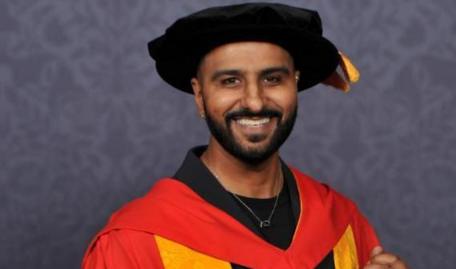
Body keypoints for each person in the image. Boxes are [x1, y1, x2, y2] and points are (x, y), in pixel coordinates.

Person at [82, 3, 409, 269]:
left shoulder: (341, 222)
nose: (254, 101)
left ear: (294, 84)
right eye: (230, 81)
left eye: (272, 79)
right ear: (199, 96)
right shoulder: (134, 243)